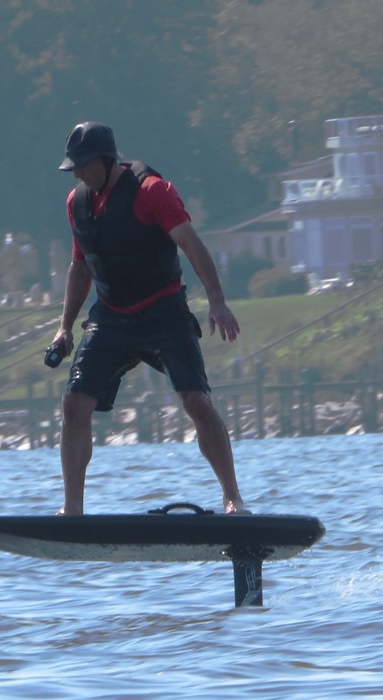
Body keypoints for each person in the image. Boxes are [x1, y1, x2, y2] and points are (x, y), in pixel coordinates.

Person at [50, 121, 248, 516]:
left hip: (163, 311)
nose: (77, 173)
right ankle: (72, 510)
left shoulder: (153, 192)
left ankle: (232, 498)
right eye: (73, 166)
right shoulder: (78, 203)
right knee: (74, 404)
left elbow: (192, 244)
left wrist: (217, 301)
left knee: (196, 401)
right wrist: (64, 327)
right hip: (110, 316)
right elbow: (79, 266)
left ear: (107, 160)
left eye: (84, 164)